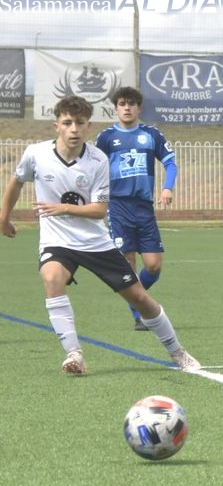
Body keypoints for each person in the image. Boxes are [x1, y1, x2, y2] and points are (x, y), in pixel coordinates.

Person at [0, 96, 200, 374]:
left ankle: (177, 351)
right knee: (51, 278)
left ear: (88, 126)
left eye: (80, 123)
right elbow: (17, 181)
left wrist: (64, 208)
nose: (74, 129)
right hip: (57, 241)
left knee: (139, 298)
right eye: (68, 123)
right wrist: (3, 218)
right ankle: (74, 354)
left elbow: (99, 210)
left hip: (95, 242)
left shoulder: (97, 160)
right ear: (56, 125)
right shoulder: (36, 153)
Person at [95, 87, 177, 331]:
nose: (127, 108)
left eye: (132, 104)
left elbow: (171, 163)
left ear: (139, 108)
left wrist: (167, 188)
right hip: (118, 207)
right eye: (122, 104)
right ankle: (139, 313)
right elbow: (94, 168)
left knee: (154, 266)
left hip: (145, 208)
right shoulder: (106, 137)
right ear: (116, 108)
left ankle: (136, 300)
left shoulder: (151, 135)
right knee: (127, 262)